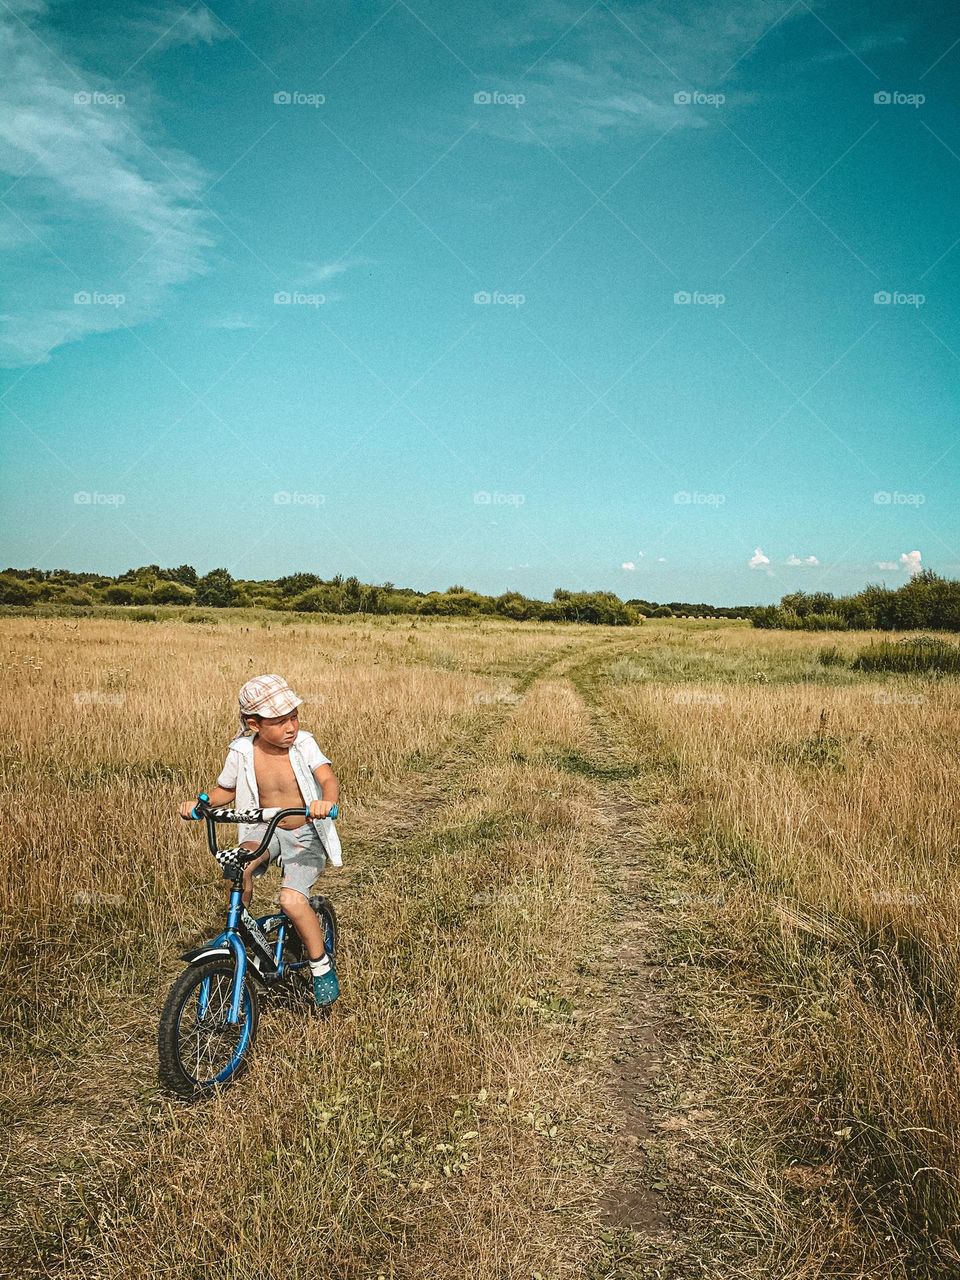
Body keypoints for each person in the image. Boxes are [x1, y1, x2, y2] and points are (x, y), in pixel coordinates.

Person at [179, 673, 342, 1007]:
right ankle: (239, 926)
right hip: (264, 831)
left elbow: (327, 776)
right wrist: (203, 804)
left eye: (293, 717)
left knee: (291, 901)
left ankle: (321, 964)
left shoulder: (304, 744)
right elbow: (226, 789)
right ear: (253, 724)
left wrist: (325, 800)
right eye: (280, 721)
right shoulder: (241, 751)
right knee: (237, 868)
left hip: (304, 835)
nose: (291, 727)